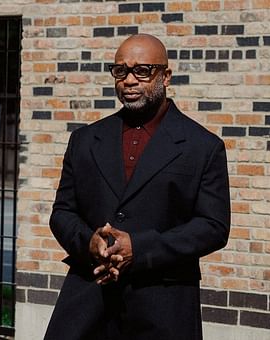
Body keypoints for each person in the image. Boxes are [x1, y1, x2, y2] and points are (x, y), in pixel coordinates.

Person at [44, 34, 231, 340]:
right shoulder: (85, 140)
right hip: (88, 300)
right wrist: (89, 243)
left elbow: (213, 227)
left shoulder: (203, 146)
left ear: (166, 76)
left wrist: (139, 248)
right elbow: (62, 212)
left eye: (142, 71)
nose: (129, 80)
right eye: (121, 71)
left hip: (163, 306)